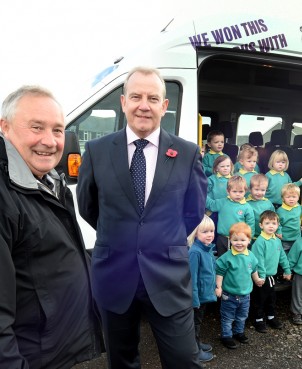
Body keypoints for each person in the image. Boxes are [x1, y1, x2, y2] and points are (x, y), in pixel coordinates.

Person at [0, 85, 103, 369]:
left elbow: (51, 256)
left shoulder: (49, 182)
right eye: (37, 127)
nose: (50, 141)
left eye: (58, 130)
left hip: (51, 352)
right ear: (6, 127)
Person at [77, 66, 207, 369]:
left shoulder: (187, 154)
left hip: (168, 275)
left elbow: (193, 212)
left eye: (152, 98)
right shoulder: (96, 151)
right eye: (136, 96)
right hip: (114, 274)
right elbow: (88, 207)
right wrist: (123, 236)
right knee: (121, 362)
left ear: (164, 106)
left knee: (184, 361)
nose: (143, 105)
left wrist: (159, 239)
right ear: (123, 102)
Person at [215, 222, 264, 349]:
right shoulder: (227, 257)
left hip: (245, 295)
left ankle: (238, 332)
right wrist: (218, 286)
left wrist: (257, 279)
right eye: (235, 240)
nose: (239, 243)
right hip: (229, 295)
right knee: (227, 317)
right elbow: (220, 272)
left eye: (243, 240)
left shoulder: (251, 256)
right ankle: (226, 336)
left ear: (249, 240)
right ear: (230, 240)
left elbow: (253, 270)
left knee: (242, 316)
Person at [250, 211, 291, 333]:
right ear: (261, 225)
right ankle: (258, 320)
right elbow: (259, 261)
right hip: (262, 277)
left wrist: (287, 270)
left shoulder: (276, 240)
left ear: (278, 225)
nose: (271, 226)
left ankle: (271, 317)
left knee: (271, 298)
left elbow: (282, 256)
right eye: (267, 223)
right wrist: (261, 277)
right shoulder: (260, 242)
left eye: (274, 223)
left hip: (271, 276)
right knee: (259, 299)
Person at [187, 216, 218, 363]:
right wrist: (195, 299)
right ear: (195, 234)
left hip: (204, 294)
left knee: (198, 321)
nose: (210, 234)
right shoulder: (195, 252)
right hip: (198, 296)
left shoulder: (208, 248)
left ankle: (197, 343)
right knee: (195, 323)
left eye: (211, 231)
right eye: (205, 231)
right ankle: (194, 351)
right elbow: (192, 278)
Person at [206, 175, 255, 256]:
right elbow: (211, 204)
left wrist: (249, 239)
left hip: (238, 240)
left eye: (241, 192)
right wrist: (201, 192)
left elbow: (250, 225)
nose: (238, 194)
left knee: (236, 260)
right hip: (222, 238)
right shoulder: (223, 202)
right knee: (222, 260)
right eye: (234, 191)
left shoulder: (247, 207)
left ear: (245, 191)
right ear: (228, 191)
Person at [206, 155, 233, 234]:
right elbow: (203, 193)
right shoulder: (212, 179)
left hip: (227, 211)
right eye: (222, 166)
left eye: (228, 166)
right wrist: (210, 204)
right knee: (212, 230)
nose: (226, 168)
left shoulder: (233, 179)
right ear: (216, 168)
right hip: (213, 211)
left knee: (223, 231)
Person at [276, 183, 302, 254]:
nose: (291, 199)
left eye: (294, 197)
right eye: (288, 197)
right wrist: (279, 232)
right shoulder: (281, 210)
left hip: (297, 237)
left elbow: (297, 214)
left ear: (298, 197)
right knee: (284, 253)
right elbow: (278, 222)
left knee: (295, 253)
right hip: (285, 239)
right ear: (282, 198)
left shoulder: (298, 206)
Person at [246, 174, 276, 243]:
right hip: (251, 238)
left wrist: (279, 231)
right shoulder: (246, 203)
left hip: (266, 236)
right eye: (256, 189)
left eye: (263, 190)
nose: (259, 193)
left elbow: (275, 218)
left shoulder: (268, 203)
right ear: (250, 189)